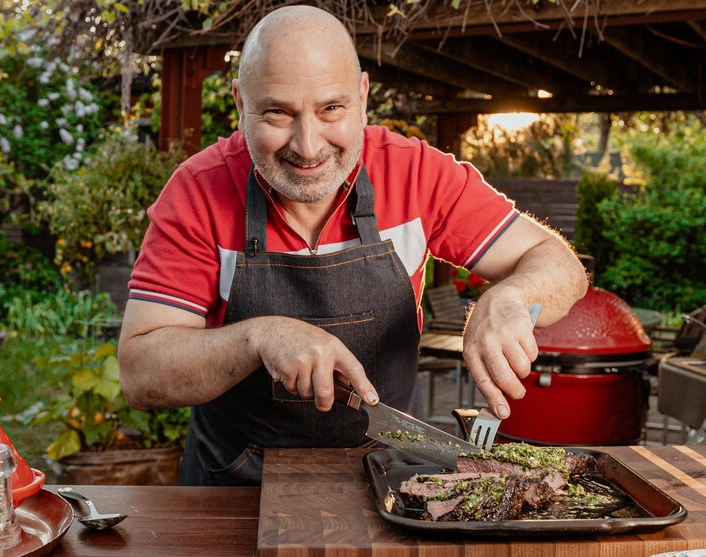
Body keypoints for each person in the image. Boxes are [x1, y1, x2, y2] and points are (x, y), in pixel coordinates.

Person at [118, 5, 588, 486]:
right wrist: (259, 338)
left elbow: (559, 264)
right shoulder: (198, 190)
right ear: (241, 102)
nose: (307, 146)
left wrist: (509, 297)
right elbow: (140, 374)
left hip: (394, 486)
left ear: (362, 97)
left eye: (331, 109)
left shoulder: (416, 173)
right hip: (233, 492)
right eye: (278, 112)